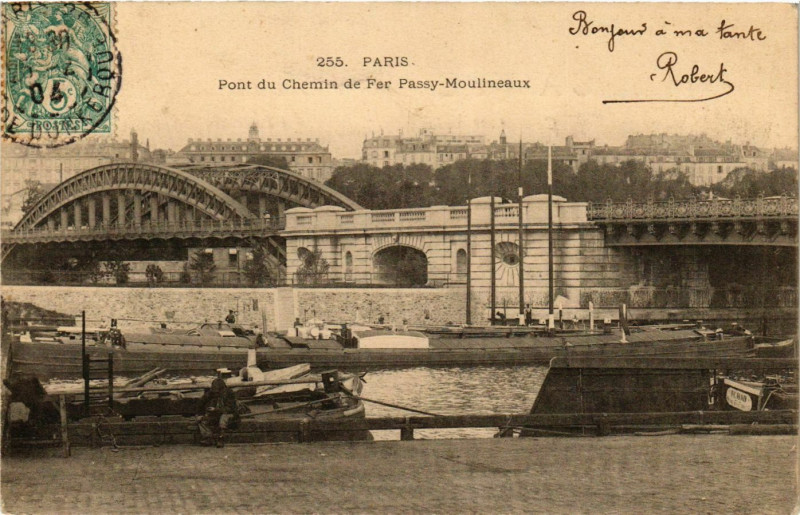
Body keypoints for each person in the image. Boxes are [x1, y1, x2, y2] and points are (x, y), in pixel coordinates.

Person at [196, 369, 239, 447]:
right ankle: (208, 437)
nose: (216, 393)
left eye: (217, 391)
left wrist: (216, 410)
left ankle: (221, 438)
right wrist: (200, 414)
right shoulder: (210, 394)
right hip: (215, 414)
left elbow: (231, 409)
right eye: (214, 391)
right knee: (201, 420)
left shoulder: (229, 394)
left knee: (223, 419)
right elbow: (200, 404)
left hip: (228, 414)